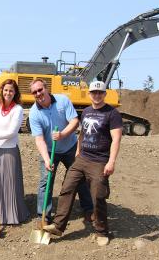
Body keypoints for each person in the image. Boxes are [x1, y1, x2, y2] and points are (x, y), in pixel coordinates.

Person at [43, 81, 122, 246]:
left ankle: (101, 231)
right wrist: (78, 152)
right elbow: (82, 134)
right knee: (67, 188)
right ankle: (58, 226)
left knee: (98, 196)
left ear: (104, 94)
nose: (97, 95)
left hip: (99, 161)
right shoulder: (86, 111)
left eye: (100, 92)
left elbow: (116, 139)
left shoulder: (112, 113)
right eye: (94, 92)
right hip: (82, 159)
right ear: (90, 94)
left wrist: (111, 162)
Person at [28, 78, 93, 226]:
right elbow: (39, 140)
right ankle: (43, 216)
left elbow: (75, 121)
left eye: (40, 90)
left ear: (46, 88)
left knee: (80, 178)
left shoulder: (63, 100)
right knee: (46, 181)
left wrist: (62, 135)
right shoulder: (34, 113)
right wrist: (46, 159)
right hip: (50, 150)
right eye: (34, 92)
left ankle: (88, 209)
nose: (38, 94)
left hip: (70, 147)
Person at [0, 79, 29, 224]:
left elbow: (12, 132)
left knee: (9, 184)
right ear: (2, 90)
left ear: (15, 93)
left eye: (11, 91)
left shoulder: (18, 109)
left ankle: (11, 215)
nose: (8, 93)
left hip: (9, 151)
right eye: (6, 90)